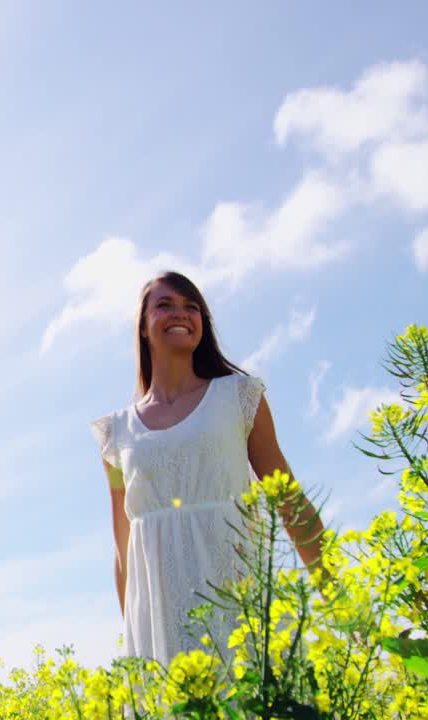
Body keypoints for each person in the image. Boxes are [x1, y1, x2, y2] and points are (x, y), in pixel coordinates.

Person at [90, 271, 325, 665]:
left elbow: (289, 501)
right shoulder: (115, 436)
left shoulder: (239, 397)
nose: (180, 314)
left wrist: (338, 594)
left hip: (237, 602)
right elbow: (123, 544)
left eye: (191, 306)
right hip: (158, 622)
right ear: (144, 328)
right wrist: (134, 641)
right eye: (164, 305)